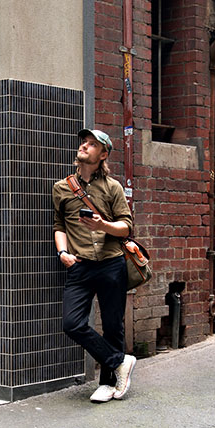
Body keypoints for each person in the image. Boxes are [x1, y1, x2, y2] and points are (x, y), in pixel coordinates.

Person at [52, 127, 137, 402]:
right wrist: (62, 252)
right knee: (72, 323)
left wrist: (103, 225)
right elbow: (59, 225)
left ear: (103, 154)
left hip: (111, 264)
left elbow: (126, 227)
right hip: (79, 266)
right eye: (84, 142)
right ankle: (120, 361)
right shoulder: (62, 187)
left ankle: (108, 384)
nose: (84, 146)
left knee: (112, 326)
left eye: (91, 144)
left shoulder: (112, 188)